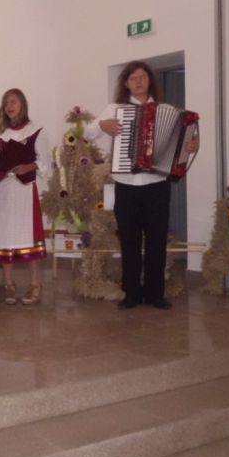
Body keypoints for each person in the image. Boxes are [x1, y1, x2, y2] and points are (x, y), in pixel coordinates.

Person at [84, 60, 189, 310]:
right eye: (133, 78)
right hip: (126, 184)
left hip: (157, 184)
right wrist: (102, 125)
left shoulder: (165, 110)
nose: (139, 82)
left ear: (149, 81)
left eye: (142, 77)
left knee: (156, 240)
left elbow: (180, 144)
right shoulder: (115, 109)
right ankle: (131, 293)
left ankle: (155, 294)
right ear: (126, 84)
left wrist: (190, 145)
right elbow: (88, 133)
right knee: (129, 240)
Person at [0, 88, 49, 305]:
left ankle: (35, 284)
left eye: (13, 101)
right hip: (4, 190)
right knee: (5, 237)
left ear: (22, 104)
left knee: (29, 236)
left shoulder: (36, 130)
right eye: (6, 102)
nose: (9, 106)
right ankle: (9, 284)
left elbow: (45, 162)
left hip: (25, 190)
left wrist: (29, 166)